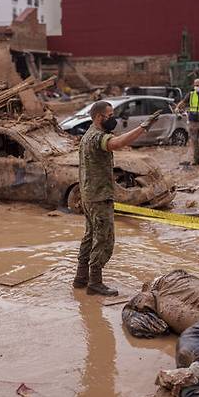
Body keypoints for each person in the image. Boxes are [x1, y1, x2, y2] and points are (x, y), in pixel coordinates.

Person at [73, 101, 161, 296]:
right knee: (103, 239)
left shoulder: (86, 135)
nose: (113, 118)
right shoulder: (97, 137)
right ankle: (95, 282)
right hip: (99, 196)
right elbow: (117, 144)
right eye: (110, 115)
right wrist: (142, 127)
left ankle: (80, 278)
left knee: (89, 236)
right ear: (98, 117)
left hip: (88, 194)